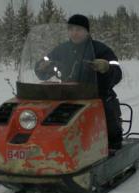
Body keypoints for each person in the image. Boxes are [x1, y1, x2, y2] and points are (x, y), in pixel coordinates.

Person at [35, 14, 123, 149]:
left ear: (87, 31)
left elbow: (117, 71)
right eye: (71, 29)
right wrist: (41, 66)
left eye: (79, 29)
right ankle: (47, 143)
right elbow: (45, 62)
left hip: (96, 93)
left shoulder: (100, 49)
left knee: (106, 108)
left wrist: (106, 67)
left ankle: (114, 141)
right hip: (67, 94)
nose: (74, 33)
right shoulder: (61, 49)